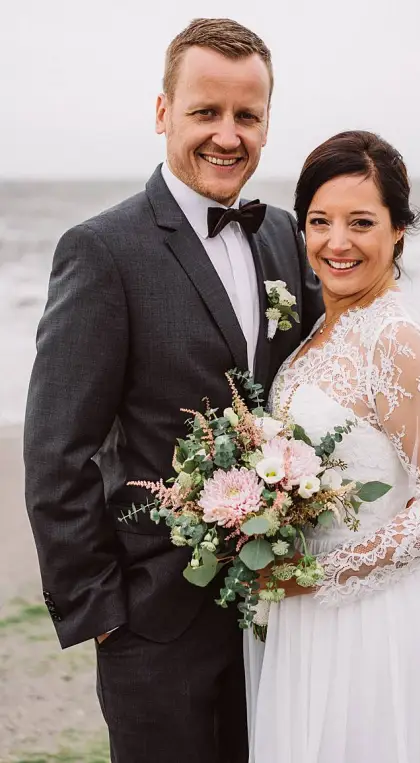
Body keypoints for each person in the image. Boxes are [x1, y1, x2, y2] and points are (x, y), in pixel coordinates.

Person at [23, 18, 322, 763]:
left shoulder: (286, 234)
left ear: (266, 123)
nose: (228, 135)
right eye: (206, 112)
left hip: (278, 624)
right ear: (164, 114)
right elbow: (57, 451)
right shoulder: (102, 250)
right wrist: (103, 612)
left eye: (246, 116)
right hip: (154, 626)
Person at [242, 130, 420, 763]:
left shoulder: (396, 341)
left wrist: (318, 575)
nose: (336, 242)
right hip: (302, 622)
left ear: (398, 229)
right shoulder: (326, 325)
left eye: (361, 222)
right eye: (319, 221)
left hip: (373, 627)